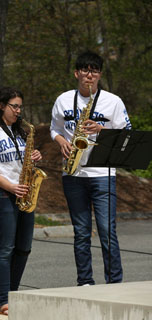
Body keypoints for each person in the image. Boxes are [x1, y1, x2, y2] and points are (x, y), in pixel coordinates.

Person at [50, 51, 131, 286]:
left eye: (94, 71)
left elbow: (127, 133)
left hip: (102, 174)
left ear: (99, 75)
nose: (89, 75)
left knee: (107, 232)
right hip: (73, 173)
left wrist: (101, 130)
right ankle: (85, 282)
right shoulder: (63, 99)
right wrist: (61, 141)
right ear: (76, 73)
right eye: (85, 70)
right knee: (82, 233)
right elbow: (54, 129)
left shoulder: (113, 101)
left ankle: (114, 283)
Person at [0, 87, 42, 316]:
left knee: (24, 248)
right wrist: (10, 186)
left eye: (20, 106)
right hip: (3, 195)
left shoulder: (21, 133)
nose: (18, 111)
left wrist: (34, 157)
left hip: (24, 193)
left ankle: (13, 294)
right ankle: (4, 299)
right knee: (5, 248)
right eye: (14, 106)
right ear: (2, 106)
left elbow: (21, 164)